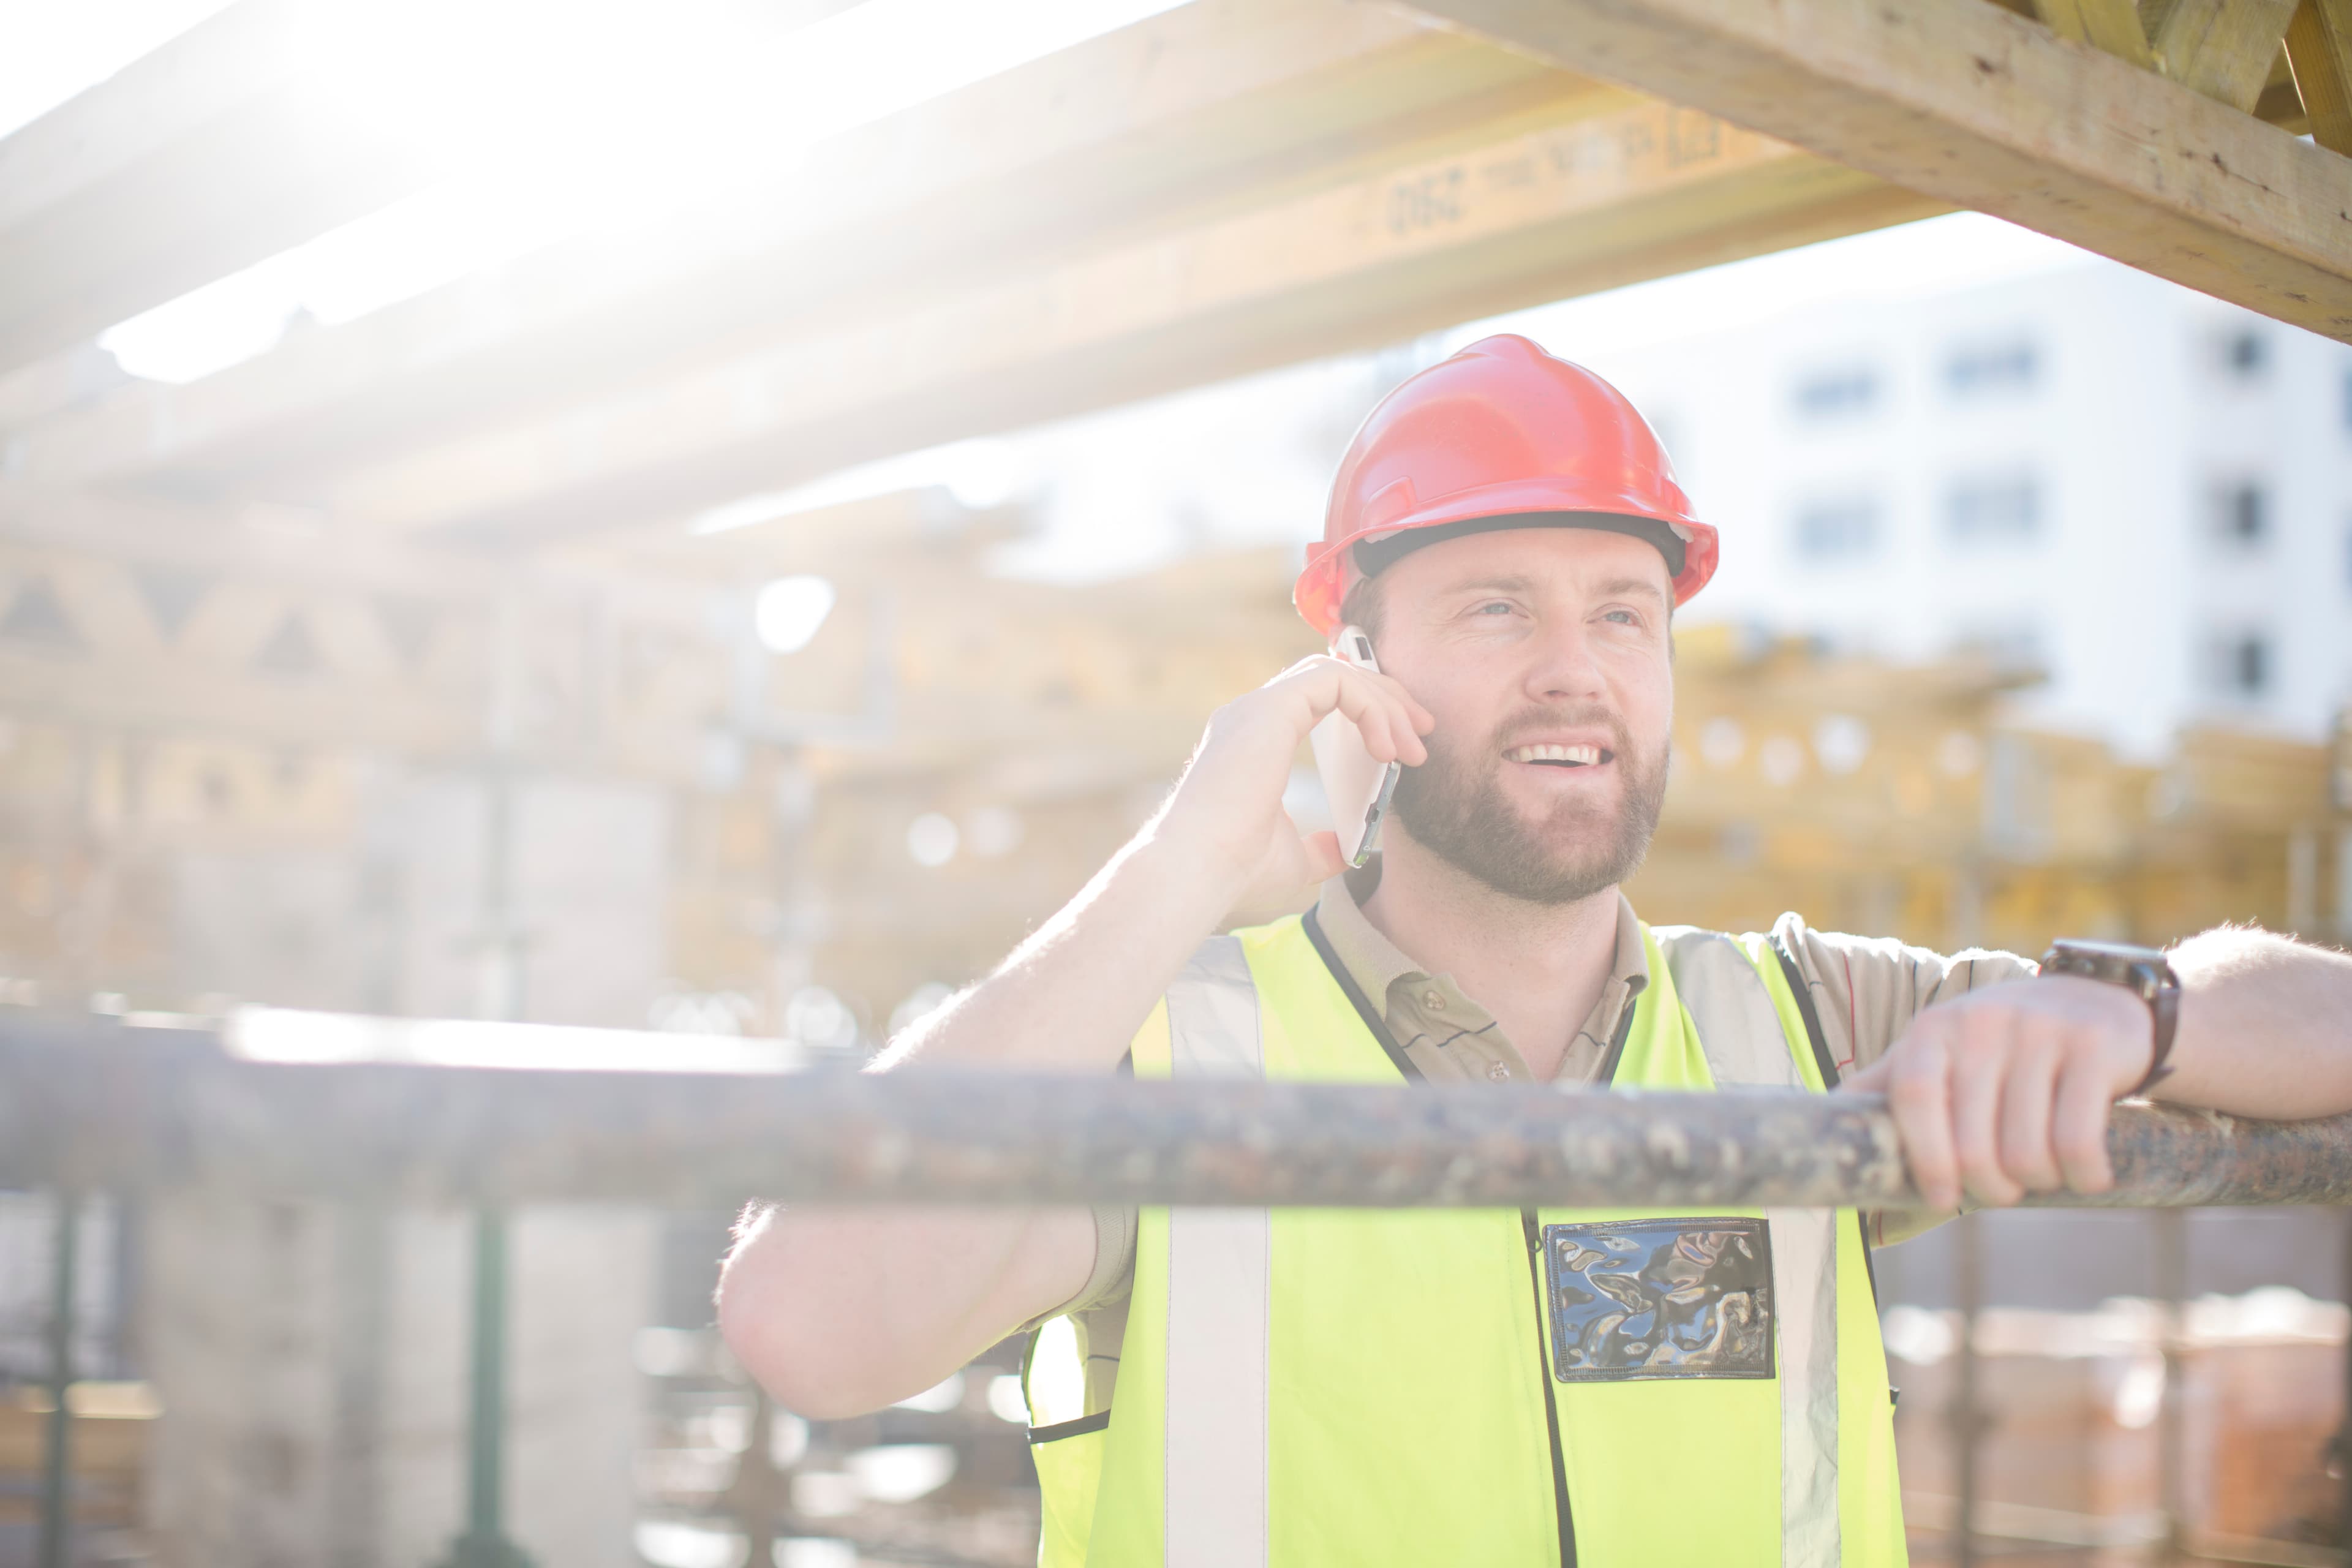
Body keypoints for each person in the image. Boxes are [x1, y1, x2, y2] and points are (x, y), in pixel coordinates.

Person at [719, 334, 2352, 1566]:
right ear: (1358, 668)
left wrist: (2130, 1014)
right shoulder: (1173, 1056)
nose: (1577, 671)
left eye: (1622, 613)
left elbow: (2321, 1020)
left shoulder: (1811, 1019)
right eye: (1497, 607)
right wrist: (1180, 860)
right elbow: (811, 1329)